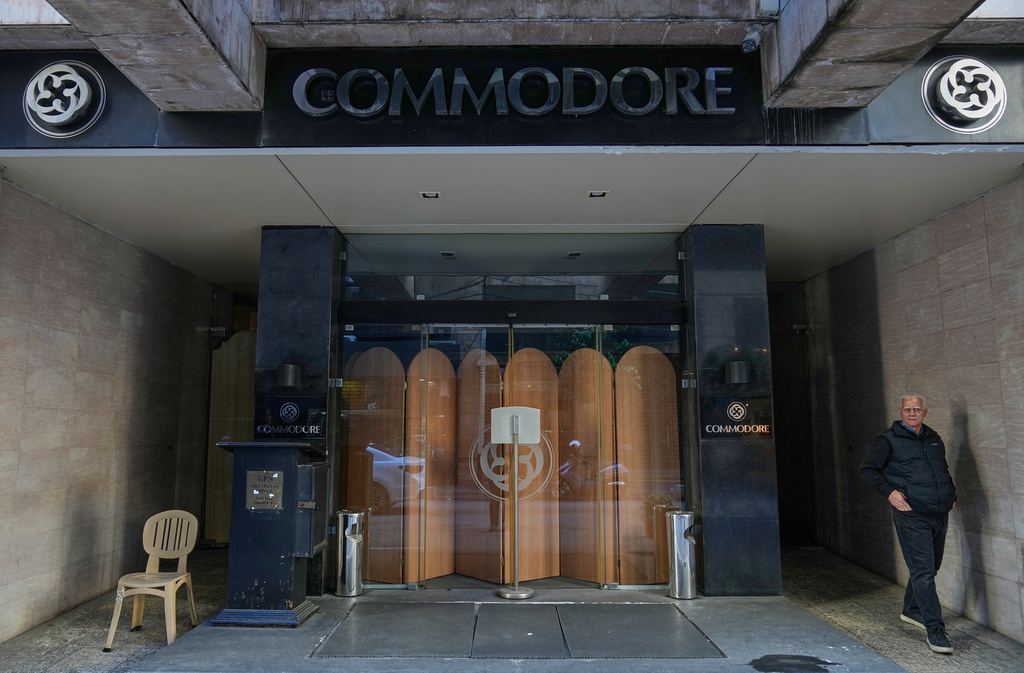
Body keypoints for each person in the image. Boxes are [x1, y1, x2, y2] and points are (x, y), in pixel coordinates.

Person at [859, 394, 957, 655]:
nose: (911, 413)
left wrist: (951, 494)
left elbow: (940, 469)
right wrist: (890, 492)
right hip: (911, 513)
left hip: (938, 511)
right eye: (907, 409)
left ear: (925, 412)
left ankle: (912, 609)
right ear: (900, 411)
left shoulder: (933, 438)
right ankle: (935, 629)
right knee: (923, 571)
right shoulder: (888, 440)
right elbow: (868, 469)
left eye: (916, 409)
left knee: (931, 567)